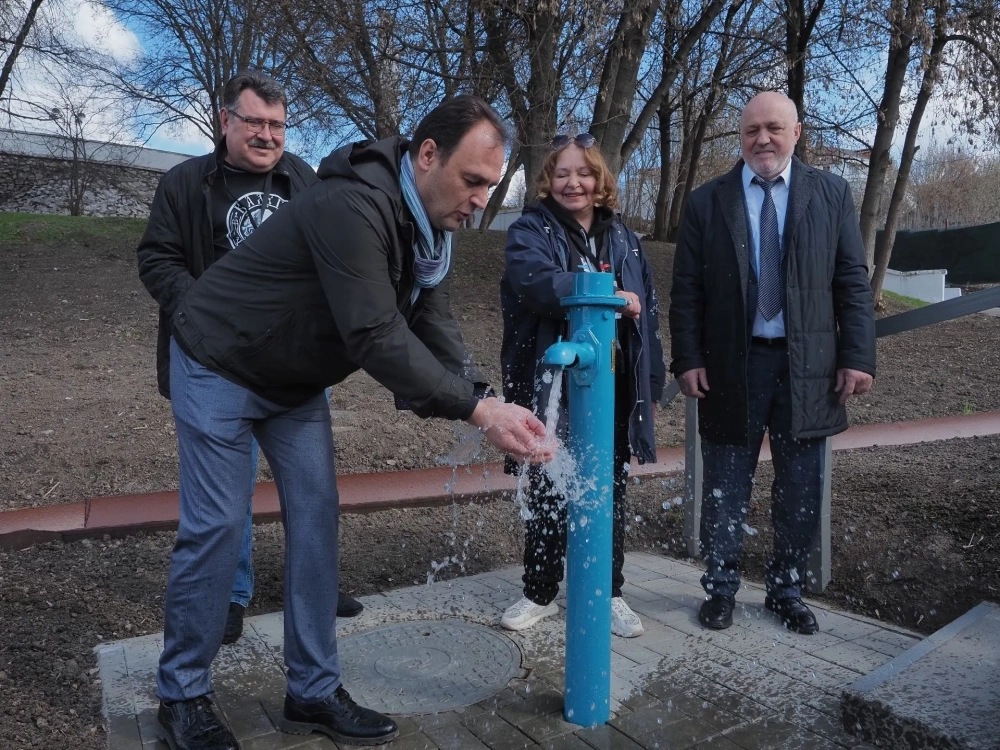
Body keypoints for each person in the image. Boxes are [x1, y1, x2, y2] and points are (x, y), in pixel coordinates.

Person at [146, 95, 554, 750]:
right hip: (218, 359)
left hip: (292, 377)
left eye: (491, 185)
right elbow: (374, 334)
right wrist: (479, 413)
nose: (482, 199)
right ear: (427, 155)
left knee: (316, 516)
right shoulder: (353, 204)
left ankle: (310, 689)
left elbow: (431, 321)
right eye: (473, 181)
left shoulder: (428, 230)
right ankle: (183, 693)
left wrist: (484, 393)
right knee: (219, 527)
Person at [137, 71, 364, 649]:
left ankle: (312, 587)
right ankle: (229, 594)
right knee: (222, 501)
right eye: (255, 122)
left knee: (314, 498)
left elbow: (334, 259)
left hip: (294, 365)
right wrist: (208, 316)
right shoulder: (186, 183)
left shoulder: (305, 181)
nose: (267, 135)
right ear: (225, 122)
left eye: (277, 125)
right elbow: (158, 259)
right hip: (213, 366)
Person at [669, 91, 876, 634]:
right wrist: (687, 357)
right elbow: (686, 290)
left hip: (809, 367)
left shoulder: (831, 194)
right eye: (751, 130)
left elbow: (851, 278)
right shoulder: (707, 202)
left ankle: (786, 589)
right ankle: (720, 589)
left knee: (801, 485)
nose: (762, 139)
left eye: (774, 129)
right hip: (731, 366)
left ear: (797, 132)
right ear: (740, 137)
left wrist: (856, 355)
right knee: (726, 483)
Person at [498, 133, 665, 639]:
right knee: (550, 486)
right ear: (547, 181)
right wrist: (607, 293)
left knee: (609, 488)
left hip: (611, 386)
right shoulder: (530, 230)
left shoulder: (626, 240)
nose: (574, 182)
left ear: (600, 180)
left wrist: (650, 381)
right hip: (553, 387)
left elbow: (649, 312)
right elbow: (536, 282)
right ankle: (540, 590)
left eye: (584, 173)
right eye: (562, 173)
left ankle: (607, 591)